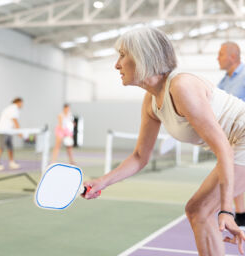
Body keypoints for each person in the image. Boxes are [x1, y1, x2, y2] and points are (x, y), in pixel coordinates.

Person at [82, 27, 245, 255]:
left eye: (122, 55)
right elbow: (140, 156)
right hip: (236, 145)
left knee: (200, 211)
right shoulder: (151, 102)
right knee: (198, 211)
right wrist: (103, 181)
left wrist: (226, 210)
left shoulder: (182, 87)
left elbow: (223, 149)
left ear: (143, 56)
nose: (116, 65)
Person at [218, 42, 245, 227]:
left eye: (220, 54)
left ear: (232, 57)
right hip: (228, 138)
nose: (217, 58)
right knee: (232, 175)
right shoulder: (223, 82)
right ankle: (241, 213)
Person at [0, 98, 23, 171]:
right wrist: (19, 132)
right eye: (21, 103)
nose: (22, 105)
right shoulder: (13, 109)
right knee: (1, 147)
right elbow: (15, 120)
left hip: (9, 131)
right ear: (18, 102)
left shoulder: (12, 109)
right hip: (3, 130)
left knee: (10, 147)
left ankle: (11, 163)